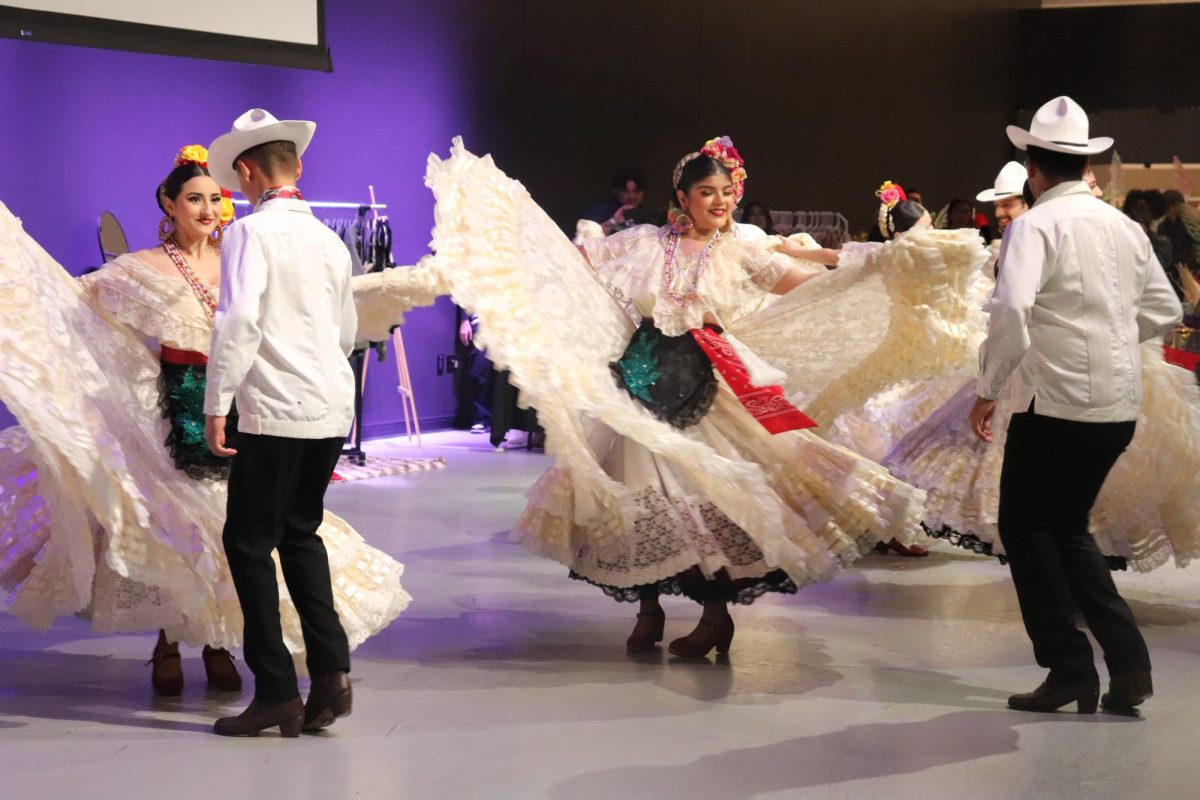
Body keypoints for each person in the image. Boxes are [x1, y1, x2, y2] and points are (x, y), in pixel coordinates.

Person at [421, 135, 984, 657]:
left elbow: (811, 285)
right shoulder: (644, 243)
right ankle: (648, 609)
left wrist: (878, 266)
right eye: (705, 193)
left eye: (724, 192)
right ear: (682, 199)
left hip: (711, 383)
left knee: (706, 495)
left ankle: (715, 614)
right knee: (638, 493)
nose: (719, 202)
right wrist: (522, 247)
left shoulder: (742, 252)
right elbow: (582, 263)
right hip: (641, 379)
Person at [0, 146, 410, 702]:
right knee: (179, 531)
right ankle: (171, 643)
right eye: (195, 198)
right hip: (168, 414)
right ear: (168, 204)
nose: (209, 208)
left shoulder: (241, 250)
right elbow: (78, 315)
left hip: (246, 407)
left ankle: (222, 644)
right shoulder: (137, 269)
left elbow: (260, 327)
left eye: (215, 198)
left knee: (231, 535)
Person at [970, 96, 1181, 715]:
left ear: (1032, 167)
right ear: (1084, 161)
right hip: (1115, 407)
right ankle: (1128, 666)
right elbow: (1165, 311)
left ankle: (1069, 670)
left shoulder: (1034, 227)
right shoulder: (1123, 226)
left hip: (1054, 405)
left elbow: (1011, 312)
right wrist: (1110, 338)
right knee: (1067, 529)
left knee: (1028, 526)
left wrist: (988, 387)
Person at [203, 109, 358, 736]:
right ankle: (330, 675)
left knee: (247, 541)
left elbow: (237, 323)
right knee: (300, 533)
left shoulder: (250, 233)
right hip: (328, 407)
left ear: (246, 171)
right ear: (297, 165)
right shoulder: (328, 238)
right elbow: (346, 330)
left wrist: (218, 404)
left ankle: (275, 690)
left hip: (274, 409)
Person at [584, 166, 650, 234]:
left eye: (636, 191)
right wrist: (613, 221)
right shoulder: (599, 210)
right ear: (616, 191)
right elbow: (586, 238)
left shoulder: (648, 217)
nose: (631, 196)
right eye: (626, 191)